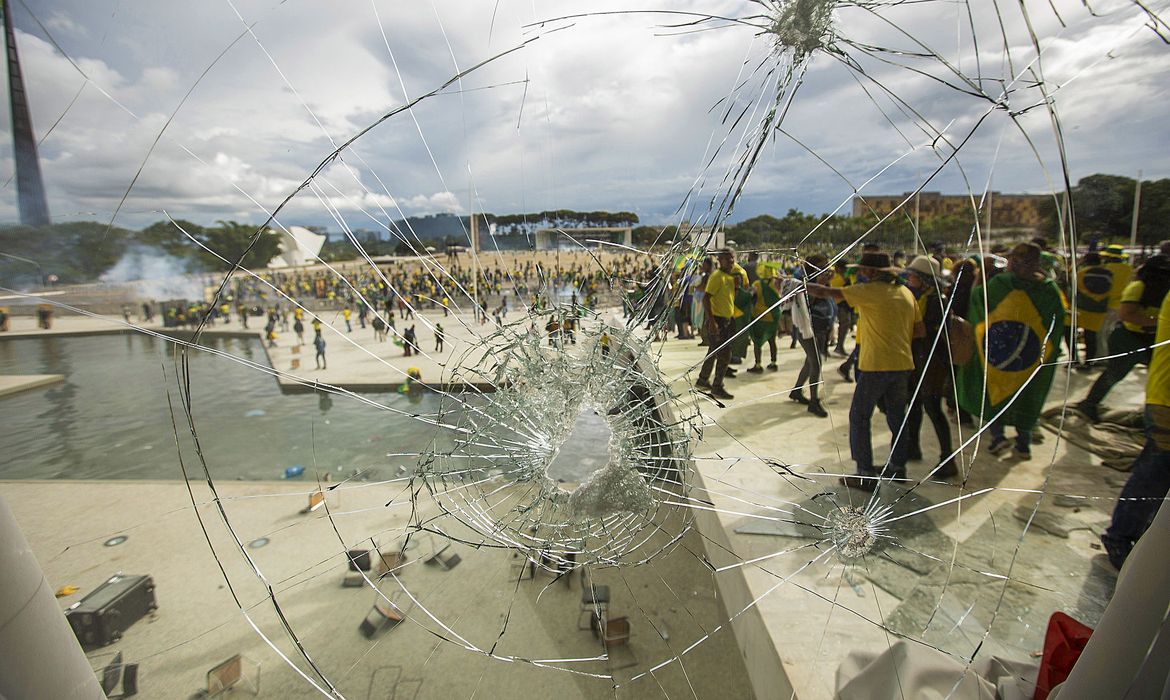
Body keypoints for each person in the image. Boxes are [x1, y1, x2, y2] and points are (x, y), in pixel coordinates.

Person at [808, 251, 918, 488]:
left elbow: (826, 293)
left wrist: (796, 285)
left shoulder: (869, 292)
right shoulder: (906, 293)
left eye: (862, 269)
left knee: (859, 417)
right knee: (897, 417)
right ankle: (898, 467)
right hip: (903, 364)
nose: (859, 273)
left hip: (876, 364)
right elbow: (918, 331)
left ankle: (865, 474)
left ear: (871, 272)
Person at [958, 243, 1065, 459]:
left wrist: (983, 275)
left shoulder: (1000, 284)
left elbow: (977, 300)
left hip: (999, 353)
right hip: (1030, 356)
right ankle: (1023, 444)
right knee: (1027, 394)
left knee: (995, 390)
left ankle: (998, 438)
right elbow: (1057, 322)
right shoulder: (1049, 289)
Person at [1100, 288, 1170, 570]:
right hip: (1166, 400)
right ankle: (1121, 536)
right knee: (1155, 472)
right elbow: (1128, 312)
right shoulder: (1140, 286)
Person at [1075, 255, 1170, 422]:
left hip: (1152, 339)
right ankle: (1089, 404)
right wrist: (1160, 322)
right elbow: (1126, 314)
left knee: (1159, 379)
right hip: (1128, 338)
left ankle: (1154, 414)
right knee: (1115, 373)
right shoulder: (1139, 287)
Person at [901, 256, 958, 478]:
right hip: (920, 360)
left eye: (913, 275)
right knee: (914, 405)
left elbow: (925, 332)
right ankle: (913, 447)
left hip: (931, 363)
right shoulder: (925, 297)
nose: (909, 278)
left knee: (933, 409)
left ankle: (947, 458)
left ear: (924, 280)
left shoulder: (936, 301)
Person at [787, 256, 832, 417]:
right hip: (807, 327)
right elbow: (805, 303)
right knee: (816, 363)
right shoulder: (802, 281)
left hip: (820, 326)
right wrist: (819, 284)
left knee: (810, 362)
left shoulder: (819, 279)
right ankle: (814, 401)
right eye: (821, 266)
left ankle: (796, 391)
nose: (825, 269)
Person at [696, 248, 738, 401]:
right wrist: (712, 322)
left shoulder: (729, 278)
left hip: (726, 320)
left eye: (733, 259)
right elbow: (706, 298)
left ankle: (703, 379)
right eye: (729, 259)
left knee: (713, 351)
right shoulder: (717, 276)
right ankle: (717, 386)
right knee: (724, 355)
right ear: (721, 260)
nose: (732, 262)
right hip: (717, 320)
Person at [1074, 252, 1112, 370]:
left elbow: (1073, 289)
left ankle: (1074, 359)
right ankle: (1088, 363)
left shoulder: (1080, 274)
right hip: (1099, 310)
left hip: (1081, 309)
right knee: (1091, 337)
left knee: (1069, 333)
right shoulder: (1109, 274)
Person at [746, 265, 781, 374]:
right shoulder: (776, 284)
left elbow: (751, 296)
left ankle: (758, 364)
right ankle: (774, 363)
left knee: (757, 341)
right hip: (774, 316)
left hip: (760, 315)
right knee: (772, 341)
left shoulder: (757, 284)